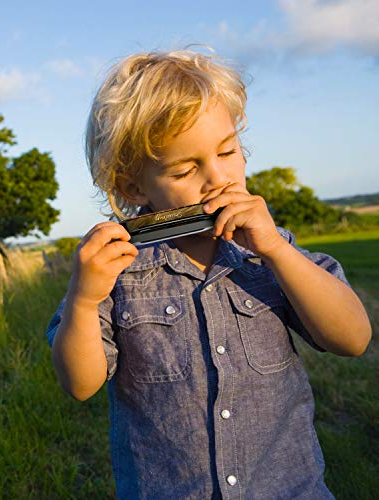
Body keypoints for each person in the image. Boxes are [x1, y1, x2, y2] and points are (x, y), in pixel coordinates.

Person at [46, 47, 371, 499]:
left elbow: (353, 339)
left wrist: (275, 248)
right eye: (186, 168)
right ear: (133, 186)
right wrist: (83, 300)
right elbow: (80, 385)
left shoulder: (270, 255)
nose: (219, 177)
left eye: (228, 151)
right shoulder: (116, 275)